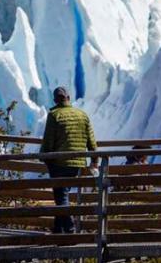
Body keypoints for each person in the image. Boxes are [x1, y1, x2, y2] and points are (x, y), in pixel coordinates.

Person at [40, 86, 98, 233]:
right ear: (69, 97)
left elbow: (48, 141)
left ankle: (70, 227)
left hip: (58, 162)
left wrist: (44, 157)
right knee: (62, 194)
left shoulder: (54, 115)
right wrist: (94, 161)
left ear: (55, 99)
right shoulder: (82, 115)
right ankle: (58, 229)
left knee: (61, 196)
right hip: (77, 163)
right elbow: (92, 142)